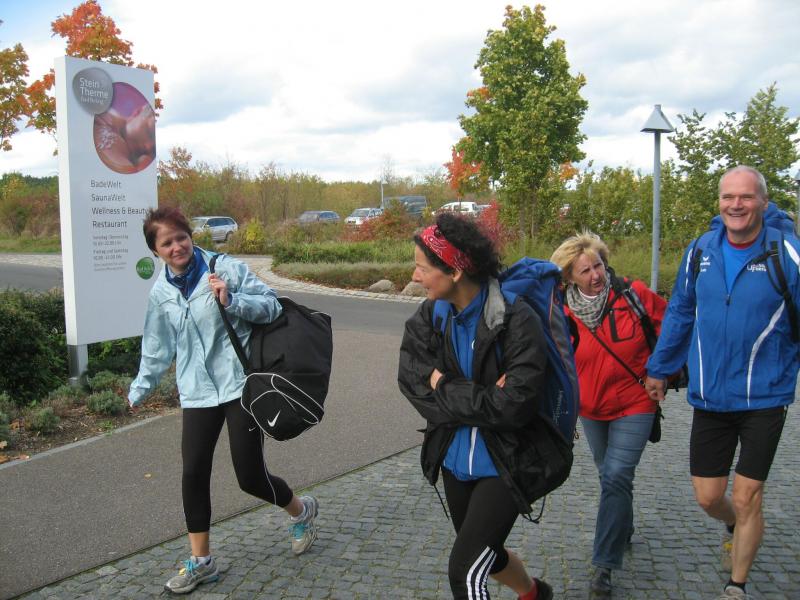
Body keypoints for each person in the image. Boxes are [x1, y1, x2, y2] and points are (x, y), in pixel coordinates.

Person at [128, 207, 319, 595]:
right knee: (193, 472)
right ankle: (202, 562)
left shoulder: (224, 268)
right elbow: (157, 346)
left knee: (249, 477)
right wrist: (139, 388)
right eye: (167, 243)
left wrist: (232, 300)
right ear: (156, 251)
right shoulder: (161, 293)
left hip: (239, 386)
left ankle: (300, 510)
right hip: (197, 391)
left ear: (190, 236)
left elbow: (272, 305)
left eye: (181, 237)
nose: (177, 246)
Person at [645, 165, 799, 600]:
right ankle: (733, 523)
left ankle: (737, 584)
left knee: (748, 496)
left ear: (763, 202)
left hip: (765, 395)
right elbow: (680, 311)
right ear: (720, 202)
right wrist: (660, 368)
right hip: (711, 395)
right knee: (709, 497)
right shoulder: (700, 251)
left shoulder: (786, 252)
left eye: (746, 197)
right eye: (728, 196)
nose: (736, 204)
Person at [398, 212, 553, 600]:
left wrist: (442, 384)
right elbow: (411, 379)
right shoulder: (430, 316)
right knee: (488, 553)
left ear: (454, 271)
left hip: (505, 461)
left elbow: (513, 407)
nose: (415, 276)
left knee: (465, 570)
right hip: (454, 459)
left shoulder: (516, 319)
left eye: (422, 268)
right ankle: (534, 594)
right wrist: (482, 396)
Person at [550, 231, 665, 598]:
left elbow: (670, 326)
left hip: (636, 400)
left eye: (598, 266)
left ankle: (604, 565)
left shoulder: (632, 294)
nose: (596, 275)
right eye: (585, 271)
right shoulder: (561, 310)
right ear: (569, 277)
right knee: (609, 475)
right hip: (591, 406)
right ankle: (621, 526)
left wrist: (661, 371)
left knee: (616, 474)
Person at [94, 102, 156, 173]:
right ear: (137, 113)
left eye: (154, 149)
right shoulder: (99, 117)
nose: (148, 147)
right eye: (149, 133)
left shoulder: (144, 164)